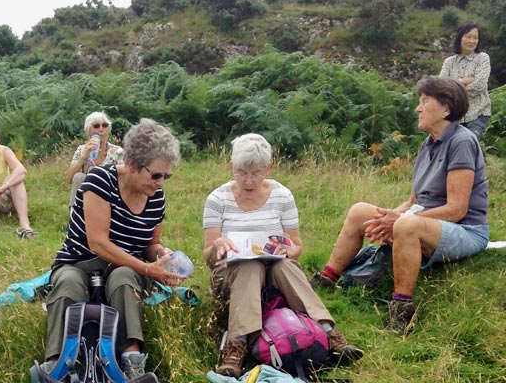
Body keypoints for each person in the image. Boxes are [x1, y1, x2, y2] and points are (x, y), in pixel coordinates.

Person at [311, 76, 489, 336]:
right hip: (426, 221)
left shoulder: (462, 141)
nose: (418, 108)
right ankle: (326, 280)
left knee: (406, 224)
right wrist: (388, 218)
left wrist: (400, 222)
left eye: (425, 101)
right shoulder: (427, 144)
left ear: (446, 108)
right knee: (360, 210)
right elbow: (413, 201)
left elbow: (457, 209)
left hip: (466, 230)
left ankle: (401, 312)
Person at [203, 133, 363, 378]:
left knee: (285, 266)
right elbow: (209, 259)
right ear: (231, 167)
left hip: (273, 270)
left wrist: (285, 250)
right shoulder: (217, 198)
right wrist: (218, 246)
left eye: (256, 173)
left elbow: (297, 247)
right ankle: (236, 347)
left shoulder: (282, 195)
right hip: (231, 274)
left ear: (268, 168)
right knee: (249, 267)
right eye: (241, 172)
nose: (248, 181)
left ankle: (329, 333)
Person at [42, 118, 184, 380]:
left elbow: (150, 244)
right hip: (79, 259)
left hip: (125, 266)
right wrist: (145, 268)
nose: (161, 182)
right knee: (68, 284)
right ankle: (55, 364)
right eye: (155, 175)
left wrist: (162, 256)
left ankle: (132, 364)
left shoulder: (156, 197)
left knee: (123, 279)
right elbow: (97, 242)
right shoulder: (100, 180)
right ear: (131, 164)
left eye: (166, 175)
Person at [439, 22, 491, 139]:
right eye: (468, 37)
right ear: (460, 38)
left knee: (468, 144)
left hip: (477, 113)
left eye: (475, 38)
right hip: (454, 115)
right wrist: (464, 80)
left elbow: (480, 85)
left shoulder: (482, 58)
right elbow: (441, 88)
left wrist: (454, 85)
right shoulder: (449, 62)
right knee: (451, 148)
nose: (472, 41)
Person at [65, 111, 125, 206]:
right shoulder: (81, 150)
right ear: (89, 130)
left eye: (105, 125)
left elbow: (123, 179)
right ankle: (75, 213)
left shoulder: (117, 151)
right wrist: (84, 156)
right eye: (96, 126)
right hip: (87, 191)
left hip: (108, 191)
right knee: (78, 177)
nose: (101, 129)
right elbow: (69, 179)